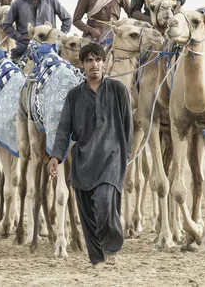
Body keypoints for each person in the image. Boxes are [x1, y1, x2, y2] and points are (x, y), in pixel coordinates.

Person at [48, 43, 133, 267]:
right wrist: (56, 156)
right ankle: (98, 257)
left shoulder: (118, 90)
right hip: (84, 159)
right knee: (87, 212)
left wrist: (126, 153)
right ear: (82, 65)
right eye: (89, 60)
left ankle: (111, 247)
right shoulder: (74, 95)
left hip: (112, 158)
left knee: (105, 202)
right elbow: (64, 129)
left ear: (104, 63)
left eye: (98, 60)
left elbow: (127, 125)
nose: (94, 64)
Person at [2, 0, 72, 59]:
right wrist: (19, 37)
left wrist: (60, 34)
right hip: (26, 43)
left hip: (49, 42)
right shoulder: (17, 3)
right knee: (15, 60)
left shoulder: (51, 0)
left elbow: (67, 19)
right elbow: (6, 25)